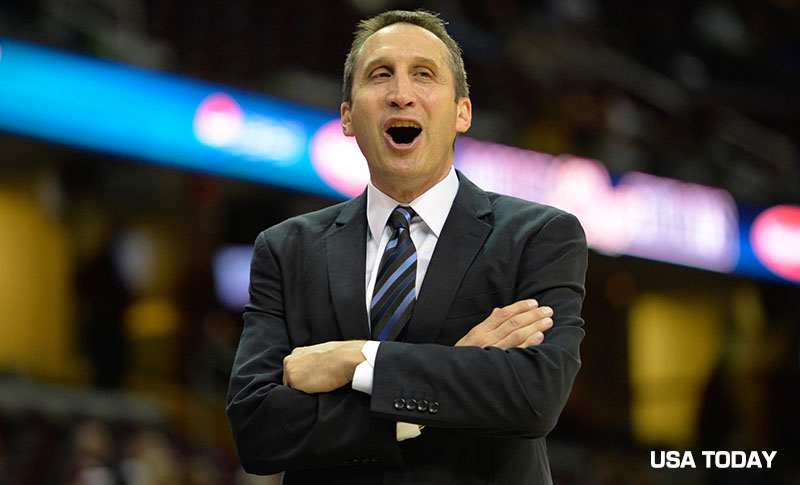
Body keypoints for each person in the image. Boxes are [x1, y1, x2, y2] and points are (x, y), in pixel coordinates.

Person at [227, 9, 587, 484]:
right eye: (380, 75)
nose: (401, 94)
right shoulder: (286, 249)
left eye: (424, 74)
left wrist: (356, 359)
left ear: (463, 111)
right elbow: (258, 430)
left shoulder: (540, 236)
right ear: (348, 117)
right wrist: (448, 380)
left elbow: (532, 398)